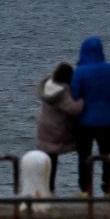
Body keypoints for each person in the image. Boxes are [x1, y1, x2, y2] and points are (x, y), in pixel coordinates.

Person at [70, 36, 110, 196]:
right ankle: (109, 189)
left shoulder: (80, 72)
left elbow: (75, 95)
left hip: (84, 122)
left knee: (84, 157)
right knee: (108, 157)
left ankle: (85, 190)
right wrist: (108, 107)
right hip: (106, 121)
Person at [35, 62, 84, 194]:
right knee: (55, 158)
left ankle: (47, 189)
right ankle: (52, 190)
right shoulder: (62, 93)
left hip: (44, 128)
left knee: (49, 160)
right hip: (56, 129)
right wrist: (83, 99)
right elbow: (74, 109)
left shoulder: (49, 86)